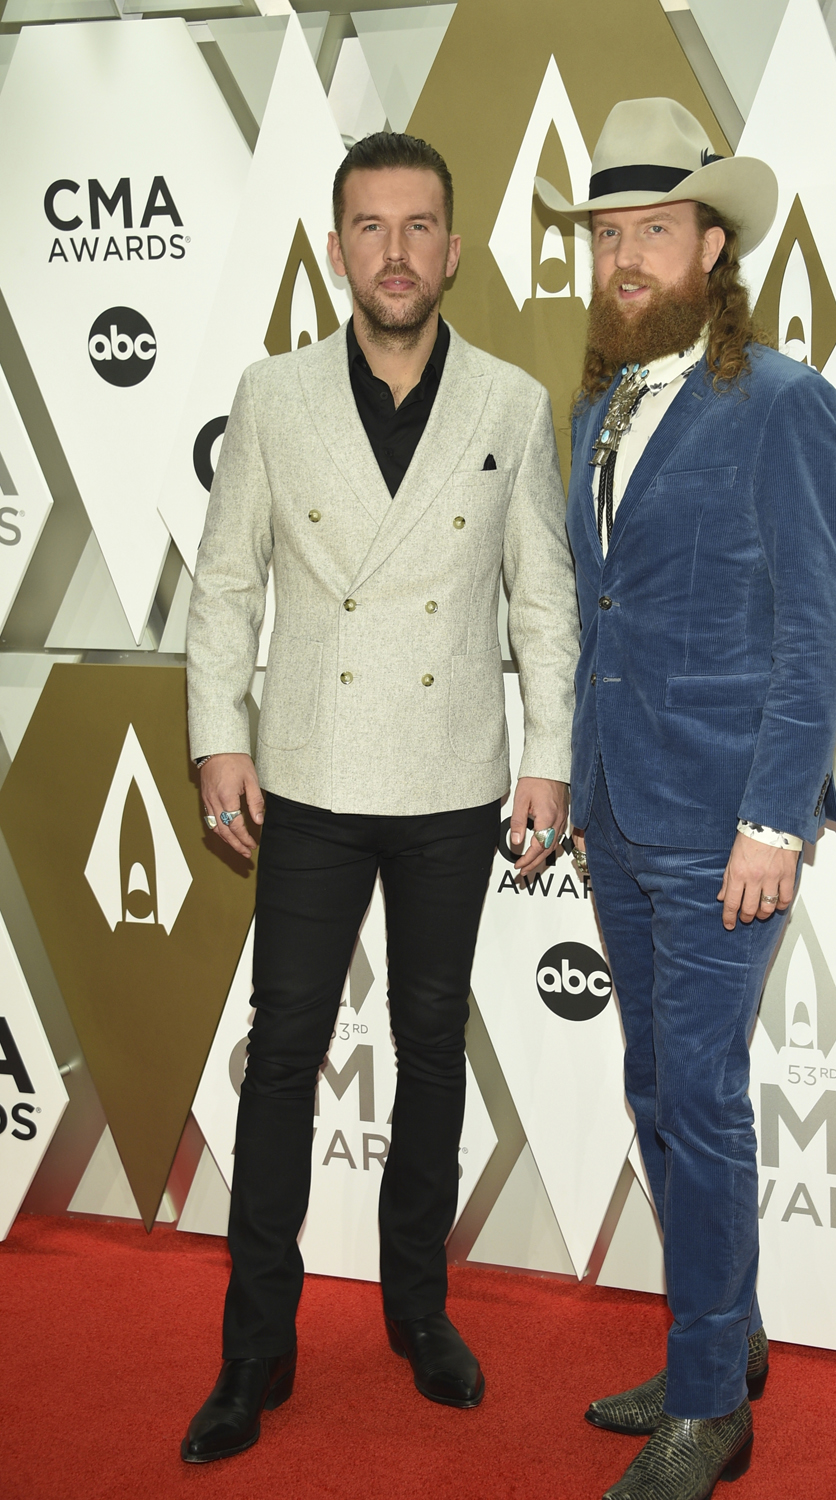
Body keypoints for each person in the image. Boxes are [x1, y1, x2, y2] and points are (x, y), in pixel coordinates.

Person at [182, 130, 578, 1464]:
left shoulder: (512, 404)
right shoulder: (273, 395)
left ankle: (419, 1312)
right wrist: (213, 737)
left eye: (419, 227)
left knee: (428, 1053)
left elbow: (544, 600)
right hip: (304, 771)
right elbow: (227, 585)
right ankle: (254, 1350)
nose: (396, 251)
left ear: (452, 251)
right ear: (338, 245)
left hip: (453, 776)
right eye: (370, 226)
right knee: (280, 1052)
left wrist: (549, 755)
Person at [536, 99, 836, 1500]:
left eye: (653, 233)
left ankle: (712, 1404)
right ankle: (717, 1345)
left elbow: (819, 631)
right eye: (609, 236)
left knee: (704, 1097)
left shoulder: (784, 402)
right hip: (620, 810)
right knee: (658, 1086)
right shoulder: (601, 404)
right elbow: (599, 609)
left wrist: (775, 821)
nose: (625, 260)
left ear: (711, 243)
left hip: (730, 823)